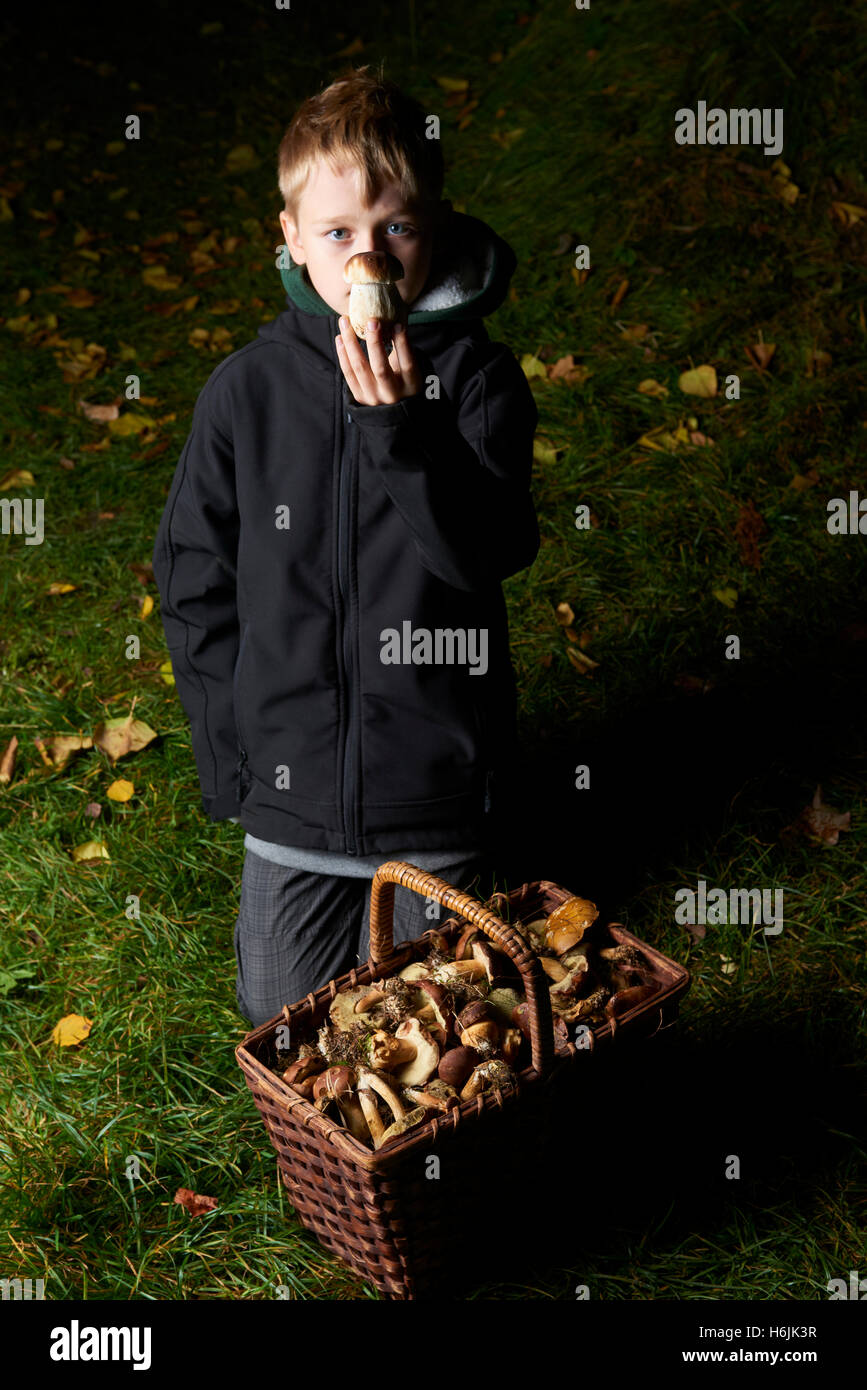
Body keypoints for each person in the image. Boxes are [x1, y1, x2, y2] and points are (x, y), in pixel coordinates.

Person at [152, 64, 540, 1028]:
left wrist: (401, 434)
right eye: (337, 234)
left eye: (395, 230)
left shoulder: (478, 379)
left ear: (432, 230)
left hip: (434, 788)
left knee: (447, 1019)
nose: (368, 258)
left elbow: (484, 552)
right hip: (293, 790)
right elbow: (193, 577)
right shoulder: (245, 392)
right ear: (290, 238)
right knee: (286, 1021)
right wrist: (228, 750)